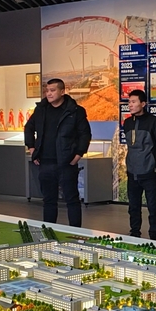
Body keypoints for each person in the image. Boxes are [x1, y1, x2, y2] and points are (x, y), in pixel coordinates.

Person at [24, 78, 91, 227]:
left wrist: (78, 155)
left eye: (52, 90)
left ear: (62, 91)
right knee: (49, 200)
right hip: (45, 162)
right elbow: (28, 128)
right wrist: (32, 149)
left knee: (71, 199)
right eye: (47, 91)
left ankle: (76, 233)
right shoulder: (41, 109)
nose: (49, 93)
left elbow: (85, 134)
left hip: (66, 162)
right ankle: (49, 231)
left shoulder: (75, 111)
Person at [121, 89, 156, 240]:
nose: (130, 105)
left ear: (143, 104)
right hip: (132, 172)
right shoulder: (127, 123)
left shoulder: (154, 122)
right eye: (129, 102)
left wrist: (152, 160)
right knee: (133, 207)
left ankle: (154, 236)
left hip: (149, 173)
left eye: (133, 102)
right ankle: (134, 233)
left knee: (153, 207)